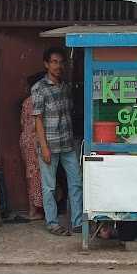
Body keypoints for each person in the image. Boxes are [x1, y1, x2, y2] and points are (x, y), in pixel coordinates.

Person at [32, 47, 83, 235]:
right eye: (54, 62)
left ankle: (77, 222)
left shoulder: (65, 87)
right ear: (46, 64)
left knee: (76, 182)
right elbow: (37, 119)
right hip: (49, 146)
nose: (58, 66)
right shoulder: (39, 89)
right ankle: (52, 223)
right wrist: (44, 147)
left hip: (68, 144)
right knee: (49, 186)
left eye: (61, 62)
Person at [19, 72, 45, 220]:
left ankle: (33, 210)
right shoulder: (40, 101)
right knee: (41, 176)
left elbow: (22, 123)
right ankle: (39, 210)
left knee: (31, 176)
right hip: (37, 141)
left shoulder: (26, 102)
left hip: (25, 140)